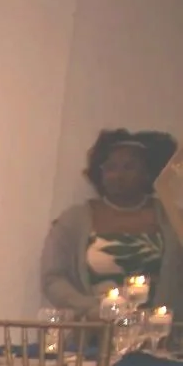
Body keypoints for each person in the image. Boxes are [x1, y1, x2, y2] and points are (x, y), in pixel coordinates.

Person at [42, 129, 179, 313]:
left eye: (128, 167)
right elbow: (53, 278)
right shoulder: (74, 220)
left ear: (148, 172)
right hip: (92, 332)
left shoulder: (172, 218)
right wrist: (90, 309)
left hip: (158, 333)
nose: (118, 175)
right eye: (110, 167)